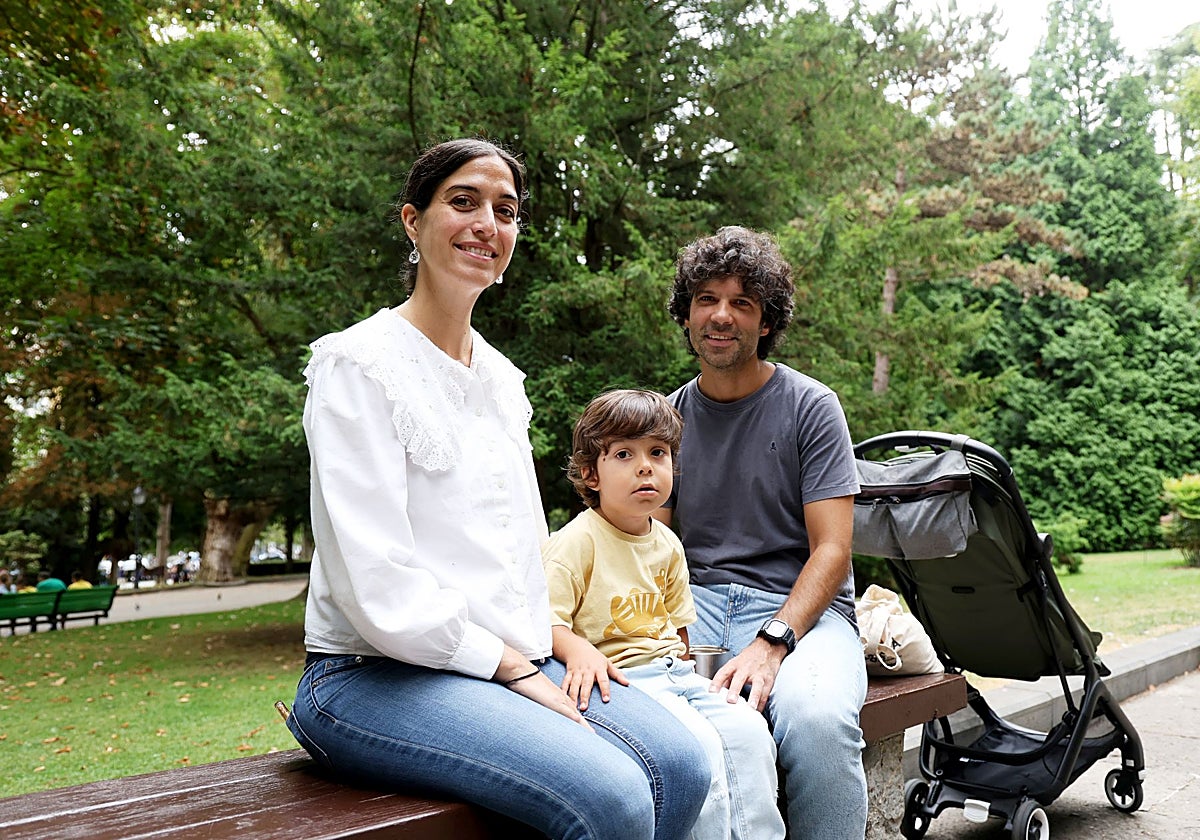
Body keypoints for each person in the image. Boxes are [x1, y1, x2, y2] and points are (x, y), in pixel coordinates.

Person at [285, 138, 708, 840]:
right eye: (464, 201)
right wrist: (513, 669)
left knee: (684, 764)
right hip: (370, 677)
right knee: (614, 796)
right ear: (412, 222)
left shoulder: (503, 379)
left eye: (505, 210)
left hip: (513, 657)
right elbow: (376, 581)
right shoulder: (357, 364)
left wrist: (559, 643)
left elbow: (514, 555)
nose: (488, 222)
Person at [655, 225, 868, 839]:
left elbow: (833, 549)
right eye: (706, 299)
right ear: (688, 314)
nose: (721, 316)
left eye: (742, 302)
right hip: (691, 611)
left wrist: (773, 642)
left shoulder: (811, 406)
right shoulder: (666, 423)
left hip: (800, 613)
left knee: (817, 721)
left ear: (766, 321)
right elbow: (651, 545)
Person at [543, 389, 786, 840]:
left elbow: (679, 628)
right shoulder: (576, 543)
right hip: (621, 683)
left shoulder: (667, 543)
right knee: (701, 749)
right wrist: (576, 650)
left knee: (749, 731)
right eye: (623, 454)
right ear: (589, 474)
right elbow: (545, 622)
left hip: (674, 673)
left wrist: (692, 677)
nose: (645, 466)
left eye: (658, 452)